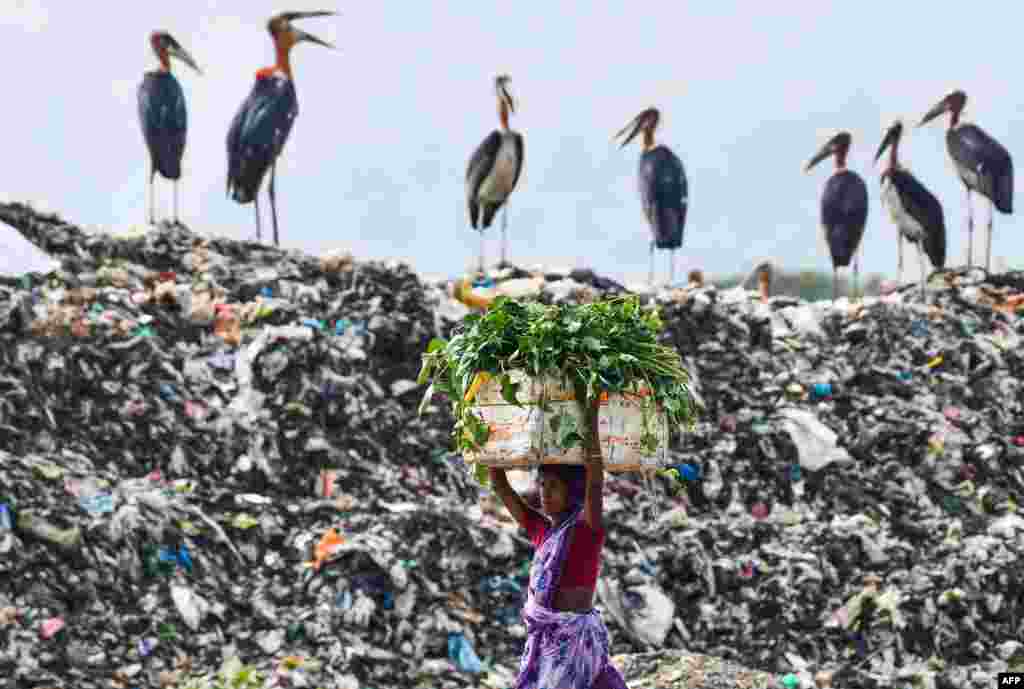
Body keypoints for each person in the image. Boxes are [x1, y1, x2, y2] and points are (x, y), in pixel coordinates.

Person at [488, 404, 629, 689]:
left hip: (572, 641)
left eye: (553, 486)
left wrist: (590, 419)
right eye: (541, 485)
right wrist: (494, 434)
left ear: (573, 490)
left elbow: (594, 482)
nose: (544, 493)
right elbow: (501, 487)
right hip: (544, 641)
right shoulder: (542, 531)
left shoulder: (586, 531)